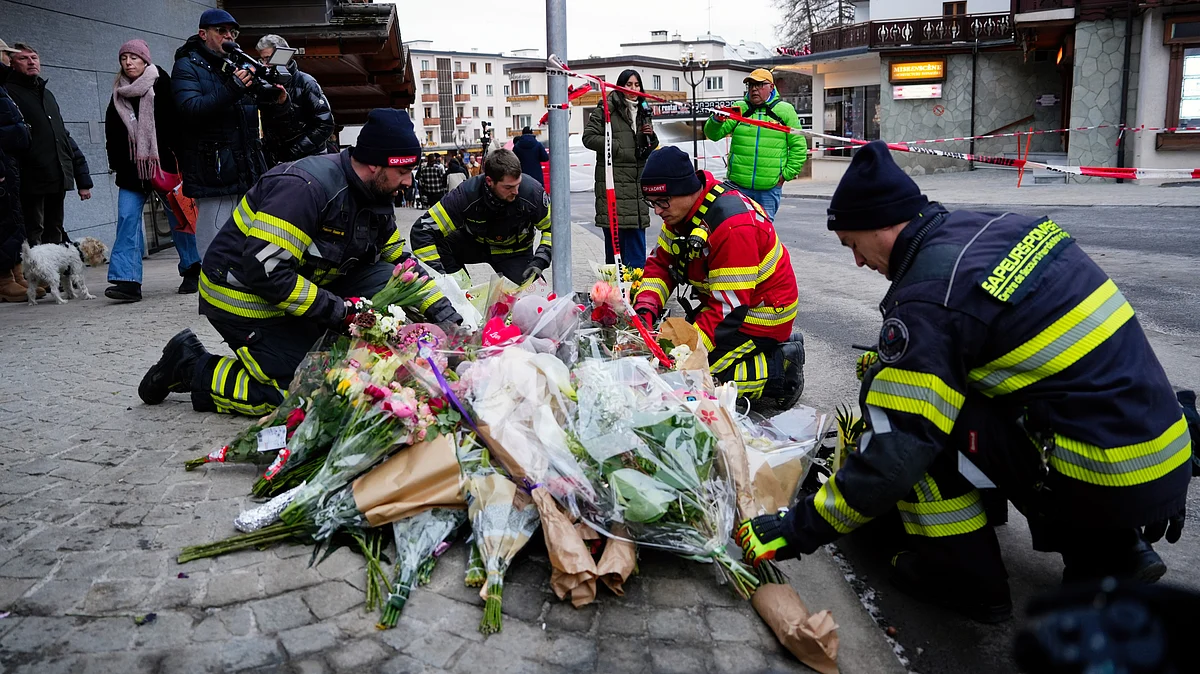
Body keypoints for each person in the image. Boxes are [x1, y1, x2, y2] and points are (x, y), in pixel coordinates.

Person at [734, 142, 1194, 624]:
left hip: (1100, 473)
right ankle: (1112, 549)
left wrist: (796, 529)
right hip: (1160, 445)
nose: (858, 262)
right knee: (1000, 397)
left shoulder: (930, 297)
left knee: (921, 432)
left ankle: (966, 580)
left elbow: (897, 451)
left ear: (881, 226)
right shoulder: (1002, 228)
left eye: (853, 245)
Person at [137, 109, 461, 416]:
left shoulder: (377, 196)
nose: (408, 182)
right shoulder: (305, 189)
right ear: (375, 165)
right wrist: (342, 314)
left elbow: (400, 266)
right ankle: (190, 365)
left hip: (294, 290)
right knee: (300, 389)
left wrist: (449, 320)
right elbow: (268, 271)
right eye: (403, 172)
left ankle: (313, 340)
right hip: (243, 295)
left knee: (382, 277)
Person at [632, 146, 804, 408]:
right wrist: (645, 309)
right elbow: (660, 265)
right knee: (669, 362)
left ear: (685, 189)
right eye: (652, 203)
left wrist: (689, 353)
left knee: (691, 378)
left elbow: (727, 310)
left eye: (662, 202)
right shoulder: (680, 214)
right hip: (729, 307)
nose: (657, 211)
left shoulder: (732, 225)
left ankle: (781, 367)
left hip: (759, 317)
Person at [103, 39, 202, 302]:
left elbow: (178, 126)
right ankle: (128, 282)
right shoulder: (118, 93)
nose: (128, 62)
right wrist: (117, 163)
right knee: (126, 219)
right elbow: (112, 134)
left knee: (180, 218)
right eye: (124, 58)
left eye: (134, 57)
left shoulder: (162, 84)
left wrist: (181, 162)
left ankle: (193, 270)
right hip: (131, 172)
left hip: (166, 166)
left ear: (145, 60)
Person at [172, 8, 268, 259]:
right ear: (203, 34)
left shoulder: (236, 64)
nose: (229, 37)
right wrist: (232, 88)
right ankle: (214, 293)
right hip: (213, 169)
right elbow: (190, 109)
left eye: (232, 32)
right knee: (215, 244)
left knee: (249, 241)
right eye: (221, 31)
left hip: (245, 167)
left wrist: (277, 98)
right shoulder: (186, 66)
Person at [410, 148, 551, 286]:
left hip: (514, 252)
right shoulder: (466, 194)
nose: (515, 191)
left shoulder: (532, 193)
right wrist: (442, 280)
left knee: (533, 302)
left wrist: (540, 260)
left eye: (518, 184)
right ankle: (461, 293)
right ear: (489, 181)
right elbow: (422, 230)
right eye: (508, 187)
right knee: (441, 243)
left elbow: (554, 229)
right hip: (476, 245)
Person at [4, 42, 92, 245]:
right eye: (23, 58)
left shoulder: (47, 94)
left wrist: (82, 179)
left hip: (56, 176)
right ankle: (34, 276)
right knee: (34, 230)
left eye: (34, 57)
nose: (31, 61)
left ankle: (56, 276)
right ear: (12, 63)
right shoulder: (9, 92)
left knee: (55, 230)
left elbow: (62, 136)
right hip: (30, 178)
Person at [703, 68, 805, 220]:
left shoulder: (785, 111)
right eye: (751, 85)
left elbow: (799, 147)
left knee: (763, 233)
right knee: (737, 229)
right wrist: (716, 121)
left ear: (771, 86)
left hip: (769, 189)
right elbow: (713, 135)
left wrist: (785, 176)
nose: (754, 89)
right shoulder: (739, 108)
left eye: (759, 85)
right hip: (738, 185)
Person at [583, 69, 659, 269]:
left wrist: (651, 138)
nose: (633, 89)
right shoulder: (608, 108)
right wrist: (615, 146)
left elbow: (645, 149)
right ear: (620, 86)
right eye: (629, 84)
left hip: (636, 186)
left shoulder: (644, 111)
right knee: (616, 246)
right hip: (614, 182)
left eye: (637, 85)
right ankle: (615, 292)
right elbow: (588, 137)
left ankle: (636, 292)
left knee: (636, 241)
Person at [255, 35, 335, 167]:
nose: (265, 64)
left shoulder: (306, 82)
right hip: (277, 161)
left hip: (310, 159)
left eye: (268, 59)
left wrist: (294, 151)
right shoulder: (264, 85)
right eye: (262, 59)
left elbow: (325, 124)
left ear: (283, 56)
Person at [0, 39, 33, 302]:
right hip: (3, 165)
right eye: (5, 54)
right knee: (4, 223)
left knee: (13, 221)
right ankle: (5, 280)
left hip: (11, 164)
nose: (8, 59)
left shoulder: (3, 87)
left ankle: (17, 273)